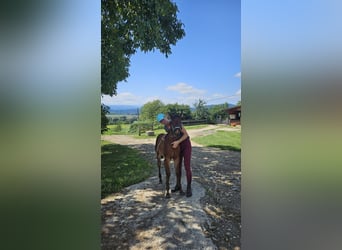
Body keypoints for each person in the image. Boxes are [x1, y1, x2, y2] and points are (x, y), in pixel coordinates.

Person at [156, 113, 192, 197]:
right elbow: (171, 135)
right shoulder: (166, 127)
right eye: (161, 121)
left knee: (187, 166)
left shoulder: (176, 122)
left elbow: (186, 134)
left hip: (185, 144)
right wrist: (165, 137)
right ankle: (178, 186)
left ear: (166, 118)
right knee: (178, 167)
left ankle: (189, 187)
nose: (163, 122)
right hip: (177, 146)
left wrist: (177, 142)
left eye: (163, 119)